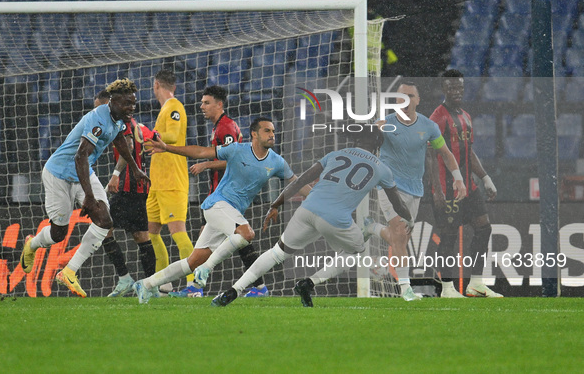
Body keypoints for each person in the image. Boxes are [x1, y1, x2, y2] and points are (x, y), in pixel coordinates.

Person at [210, 125, 414, 308]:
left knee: (276, 253)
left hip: (307, 210)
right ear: (377, 146)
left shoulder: (335, 154)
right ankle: (309, 283)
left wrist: (275, 204)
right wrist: (410, 219)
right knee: (356, 251)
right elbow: (397, 204)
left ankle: (234, 290)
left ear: (356, 141)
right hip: (337, 219)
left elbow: (299, 182)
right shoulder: (382, 168)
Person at [133, 117, 309, 304]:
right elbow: (201, 152)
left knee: (192, 262)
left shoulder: (277, 162)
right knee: (246, 233)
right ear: (254, 134)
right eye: (267, 131)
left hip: (230, 213)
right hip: (217, 204)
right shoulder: (237, 149)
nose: (272, 135)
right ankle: (207, 269)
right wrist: (167, 147)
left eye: (273, 131)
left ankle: (146, 284)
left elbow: (298, 183)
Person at [19, 79, 149, 298]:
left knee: (105, 220)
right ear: (113, 101)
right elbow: (80, 156)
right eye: (127, 103)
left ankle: (69, 271)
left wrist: (135, 169)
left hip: (82, 173)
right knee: (58, 232)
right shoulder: (98, 118)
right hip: (59, 174)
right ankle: (32, 244)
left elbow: (119, 141)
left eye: (133, 104)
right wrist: (88, 196)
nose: (131, 108)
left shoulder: (118, 119)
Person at [362, 82, 467, 301]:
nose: (406, 100)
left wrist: (458, 179)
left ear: (418, 100)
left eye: (411, 96)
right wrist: (374, 132)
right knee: (400, 232)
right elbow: (365, 146)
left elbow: (446, 153)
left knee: (400, 237)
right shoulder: (385, 124)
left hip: (415, 189)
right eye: (402, 96)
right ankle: (405, 289)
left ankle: (372, 228)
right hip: (389, 185)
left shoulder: (429, 127)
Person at [170, 85, 269, 298]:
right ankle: (196, 287)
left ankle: (259, 287)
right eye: (202, 102)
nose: (202, 106)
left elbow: (233, 160)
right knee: (211, 244)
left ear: (219, 104)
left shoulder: (226, 127)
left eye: (206, 102)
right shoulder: (219, 127)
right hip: (218, 195)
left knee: (240, 240)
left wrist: (206, 164)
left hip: (226, 196)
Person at [427, 69, 502, 298]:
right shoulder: (437, 118)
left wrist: (486, 178)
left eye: (459, 87)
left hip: (469, 186)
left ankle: (476, 283)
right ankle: (447, 288)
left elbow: (469, 152)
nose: (456, 91)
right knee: (449, 236)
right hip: (447, 189)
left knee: (484, 228)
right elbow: (430, 157)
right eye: (451, 88)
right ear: (444, 89)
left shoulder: (466, 116)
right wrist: (438, 192)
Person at [94, 90, 157, 297]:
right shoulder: (137, 123)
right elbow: (154, 137)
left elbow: (128, 145)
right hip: (140, 188)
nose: (96, 112)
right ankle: (150, 286)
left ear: (109, 104)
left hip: (128, 186)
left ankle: (125, 279)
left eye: (98, 107)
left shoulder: (122, 123)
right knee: (141, 236)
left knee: (102, 228)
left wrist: (115, 175)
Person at [146, 69, 195, 296]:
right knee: (152, 233)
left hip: (172, 182)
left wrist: (151, 136)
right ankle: (163, 284)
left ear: (156, 84)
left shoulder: (174, 107)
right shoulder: (165, 110)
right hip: (157, 184)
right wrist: (151, 143)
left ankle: (194, 284)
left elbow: (173, 137)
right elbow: (162, 141)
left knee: (178, 233)